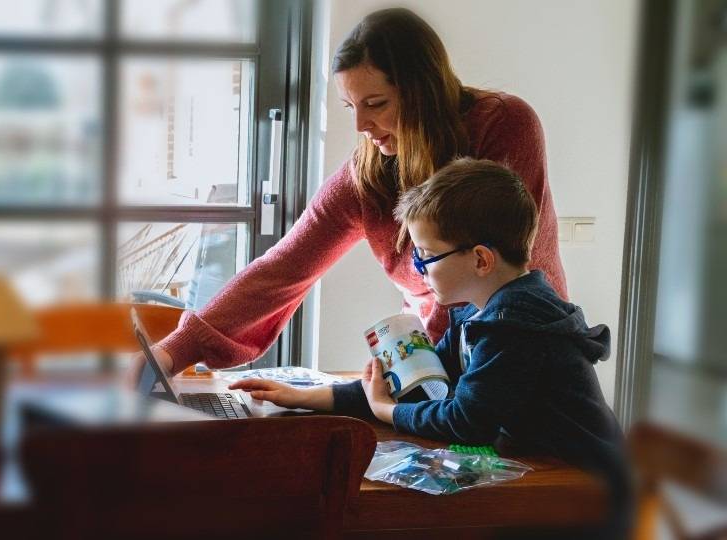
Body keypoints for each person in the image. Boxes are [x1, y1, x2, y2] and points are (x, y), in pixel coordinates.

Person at [138, 8, 569, 408]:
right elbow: (283, 267)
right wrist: (172, 351)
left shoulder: (504, 124)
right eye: (351, 106)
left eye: (376, 104)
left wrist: (402, 382)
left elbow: (482, 275)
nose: (361, 126)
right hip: (429, 367)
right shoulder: (367, 173)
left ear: (422, 92)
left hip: (518, 358)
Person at [237, 159, 630, 538]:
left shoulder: (513, 324)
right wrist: (305, 397)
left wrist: (386, 411)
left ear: (480, 260)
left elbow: (466, 422)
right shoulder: (474, 312)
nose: (417, 269)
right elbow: (420, 380)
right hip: (549, 479)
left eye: (425, 256)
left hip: (584, 494)